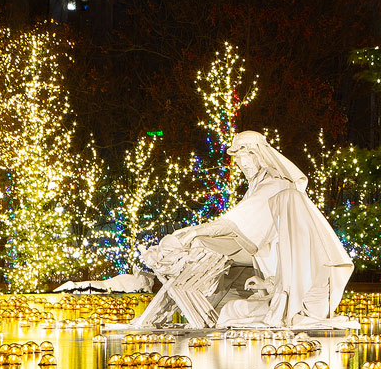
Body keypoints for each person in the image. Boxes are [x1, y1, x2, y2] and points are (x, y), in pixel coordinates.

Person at [131, 131, 354, 328]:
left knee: (228, 306)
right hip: (281, 284)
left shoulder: (277, 188)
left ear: (258, 156)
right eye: (239, 162)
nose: (242, 166)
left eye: (245, 160)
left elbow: (234, 224)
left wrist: (196, 232)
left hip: (296, 295)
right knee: (227, 301)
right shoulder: (266, 188)